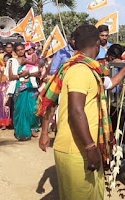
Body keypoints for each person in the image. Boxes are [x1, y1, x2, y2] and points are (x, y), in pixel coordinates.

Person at [49, 24, 112, 200]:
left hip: (81, 148)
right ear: (98, 45)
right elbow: (76, 110)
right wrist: (91, 147)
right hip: (76, 149)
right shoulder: (80, 70)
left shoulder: (80, 68)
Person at [6, 43, 40, 141]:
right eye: (18, 50)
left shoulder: (28, 60)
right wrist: (21, 75)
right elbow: (11, 76)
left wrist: (29, 73)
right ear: (15, 52)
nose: (21, 51)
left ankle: (33, 127)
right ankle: (22, 132)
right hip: (19, 87)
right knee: (20, 109)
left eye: (22, 49)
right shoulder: (12, 61)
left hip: (30, 86)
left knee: (32, 107)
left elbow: (37, 73)